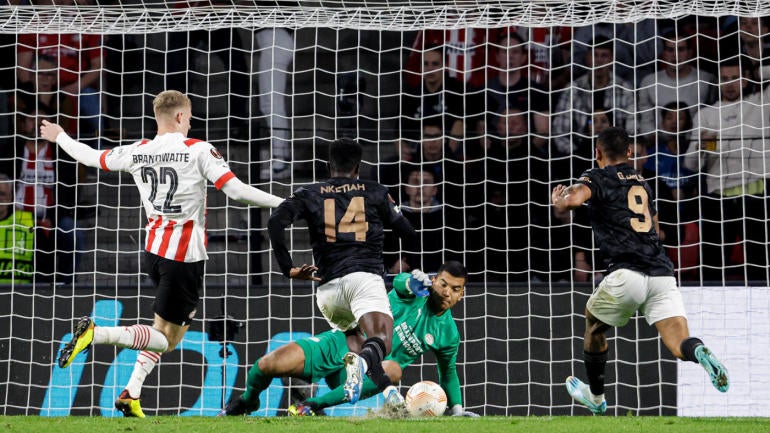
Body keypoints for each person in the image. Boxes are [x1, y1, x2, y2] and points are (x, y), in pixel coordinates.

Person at [42, 90, 284, 418]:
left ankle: (131, 393)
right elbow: (236, 191)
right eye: (190, 117)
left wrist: (60, 137)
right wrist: (283, 203)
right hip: (183, 259)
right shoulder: (198, 149)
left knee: (172, 325)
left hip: (154, 253)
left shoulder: (139, 150)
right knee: (166, 340)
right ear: (182, 117)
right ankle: (96, 334)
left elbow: (91, 157)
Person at [550, 127, 729, 415]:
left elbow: (574, 198)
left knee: (593, 325)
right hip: (661, 275)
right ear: (630, 152)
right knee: (678, 345)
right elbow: (658, 231)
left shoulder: (596, 175)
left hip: (626, 273)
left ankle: (596, 397)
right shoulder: (643, 184)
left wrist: (561, 199)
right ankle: (698, 351)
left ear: (597, 153)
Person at [220, 261, 478, 417]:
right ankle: (247, 401)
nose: (446, 292)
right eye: (442, 284)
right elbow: (400, 282)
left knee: (395, 369)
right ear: (433, 281)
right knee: (267, 365)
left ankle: (311, 404)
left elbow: (449, 374)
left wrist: (456, 409)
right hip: (342, 343)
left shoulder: (448, 334)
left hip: (368, 372)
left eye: (455, 289)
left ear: (462, 295)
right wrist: (411, 281)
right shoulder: (413, 293)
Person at [267, 137, 417, 405]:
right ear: (358, 167)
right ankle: (359, 369)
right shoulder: (375, 191)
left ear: (328, 165)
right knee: (382, 340)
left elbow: (276, 221)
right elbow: (407, 231)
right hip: (364, 278)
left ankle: (388, 394)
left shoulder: (309, 192)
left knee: (355, 336)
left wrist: (288, 269)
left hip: (327, 291)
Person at [683, 56, 770, 284]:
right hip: (718, 197)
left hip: (756, 195)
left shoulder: (762, 103)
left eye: (735, 78)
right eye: (724, 79)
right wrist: (703, 145)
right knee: (712, 264)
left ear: (746, 79)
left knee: (760, 263)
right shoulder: (705, 115)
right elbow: (690, 165)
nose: (729, 84)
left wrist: (759, 73)